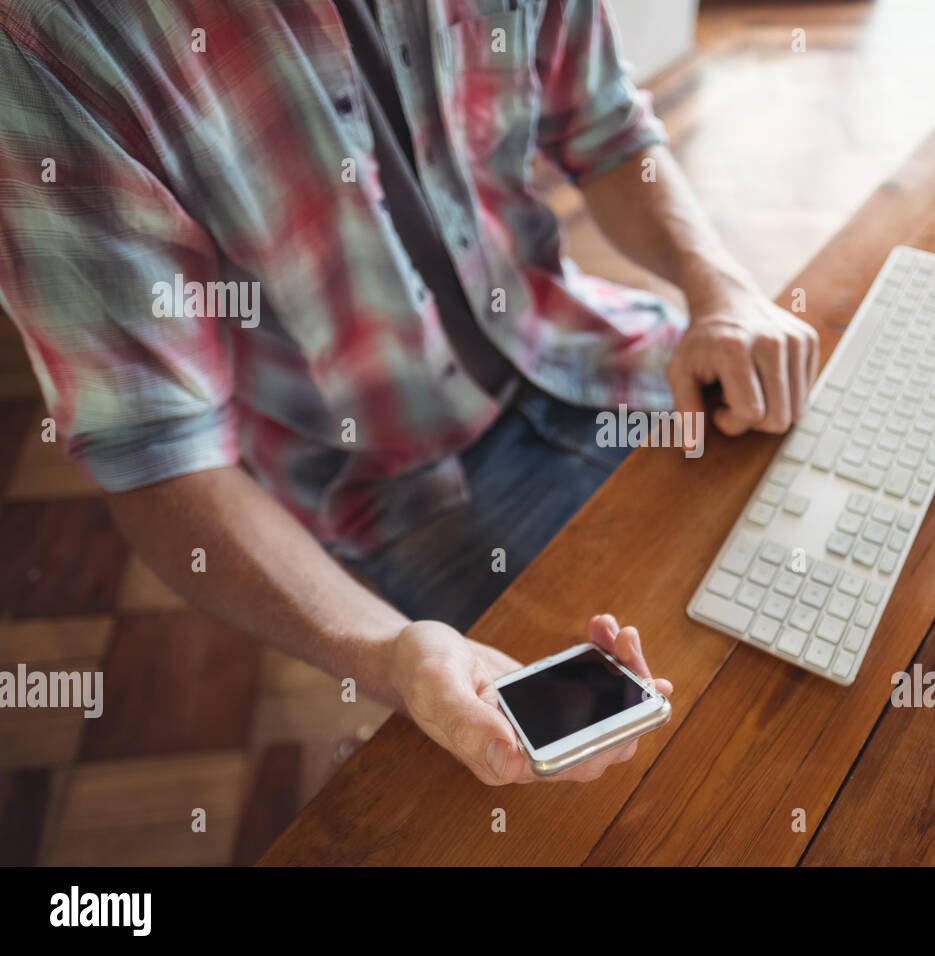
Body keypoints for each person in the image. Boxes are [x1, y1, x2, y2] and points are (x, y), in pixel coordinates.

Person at [0, 1, 819, 784]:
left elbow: (606, 129)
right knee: (678, 775)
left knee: (829, 558)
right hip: (389, 490)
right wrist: (389, 653)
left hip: (591, 350)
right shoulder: (57, 39)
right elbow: (159, 453)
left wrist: (722, 287)